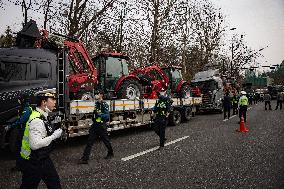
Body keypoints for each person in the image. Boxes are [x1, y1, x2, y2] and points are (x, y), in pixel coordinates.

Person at [19, 89, 63, 189]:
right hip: (34, 162)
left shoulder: (41, 115)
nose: (55, 101)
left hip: (43, 157)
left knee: (54, 183)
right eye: (52, 99)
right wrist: (54, 136)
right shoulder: (37, 120)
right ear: (44, 102)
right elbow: (35, 145)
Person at [79, 89, 113, 164]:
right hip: (95, 126)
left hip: (101, 126)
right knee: (89, 142)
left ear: (101, 95)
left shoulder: (104, 104)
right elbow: (95, 114)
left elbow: (107, 116)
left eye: (97, 94)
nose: (96, 95)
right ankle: (85, 158)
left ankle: (110, 153)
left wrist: (100, 115)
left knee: (106, 140)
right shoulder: (96, 103)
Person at [9, 94, 33, 172]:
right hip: (22, 132)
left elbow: (21, 120)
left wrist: (11, 125)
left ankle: (23, 166)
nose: (18, 101)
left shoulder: (27, 109)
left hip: (24, 133)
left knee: (22, 150)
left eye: (20, 100)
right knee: (19, 150)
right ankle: (20, 166)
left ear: (23, 100)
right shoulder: (25, 108)